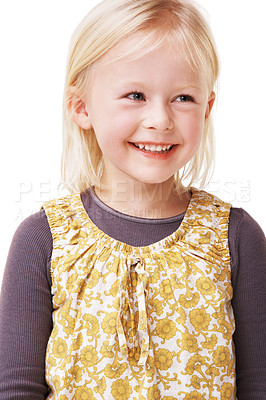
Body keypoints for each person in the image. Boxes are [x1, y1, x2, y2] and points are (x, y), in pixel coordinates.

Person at [0, 0, 265, 398]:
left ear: (207, 108)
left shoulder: (234, 236)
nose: (160, 119)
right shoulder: (44, 239)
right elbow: (16, 387)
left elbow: (258, 383)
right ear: (81, 107)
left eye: (183, 98)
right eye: (136, 95)